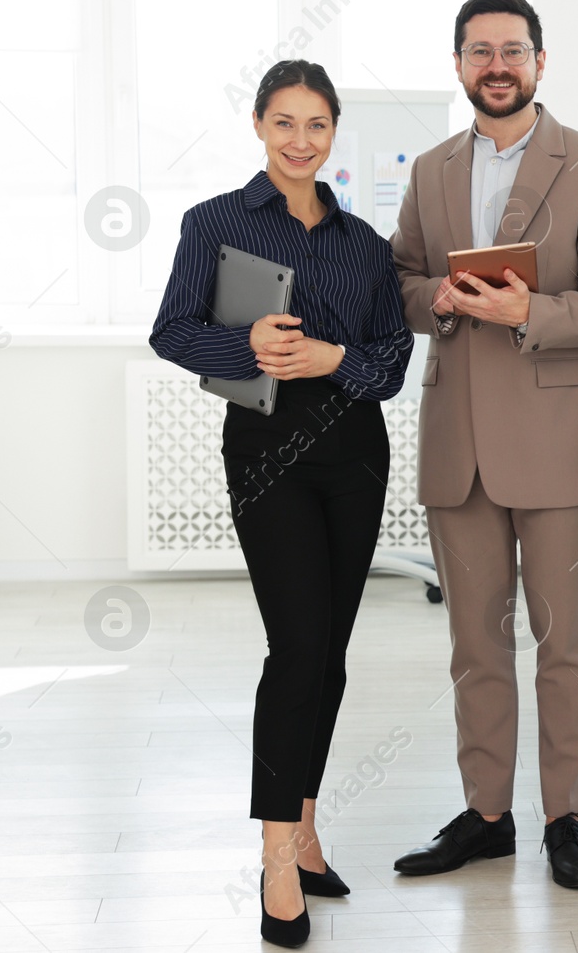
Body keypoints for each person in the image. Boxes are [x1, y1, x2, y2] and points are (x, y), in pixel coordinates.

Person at [150, 59, 413, 948]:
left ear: (335, 132)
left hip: (352, 453)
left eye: (317, 125)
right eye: (285, 123)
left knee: (330, 651)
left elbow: (392, 360)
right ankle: (272, 856)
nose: (302, 141)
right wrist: (245, 340)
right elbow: (171, 329)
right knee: (297, 645)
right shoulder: (215, 223)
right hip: (266, 449)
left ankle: (304, 828)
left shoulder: (365, 245)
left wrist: (339, 360)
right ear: (259, 125)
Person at [388, 0, 578, 891]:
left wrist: (528, 309)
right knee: (475, 644)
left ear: (540, 61)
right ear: (459, 64)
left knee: (569, 642)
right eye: (479, 51)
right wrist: (441, 300)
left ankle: (568, 813)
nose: (497, 65)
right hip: (459, 442)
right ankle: (487, 814)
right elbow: (404, 279)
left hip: (560, 442)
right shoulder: (429, 170)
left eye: (513, 50)